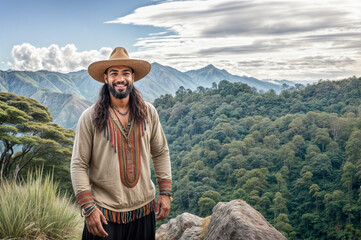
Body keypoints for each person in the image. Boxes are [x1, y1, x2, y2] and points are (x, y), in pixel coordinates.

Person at [71, 47, 172, 240]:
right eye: (114, 73)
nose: (120, 79)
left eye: (125, 73)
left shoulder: (148, 112)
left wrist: (166, 192)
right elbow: (78, 164)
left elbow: (160, 152)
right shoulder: (90, 117)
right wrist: (88, 208)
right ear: (105, 78)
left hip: (143, 213)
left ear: (133, 77)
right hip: (103, 214)